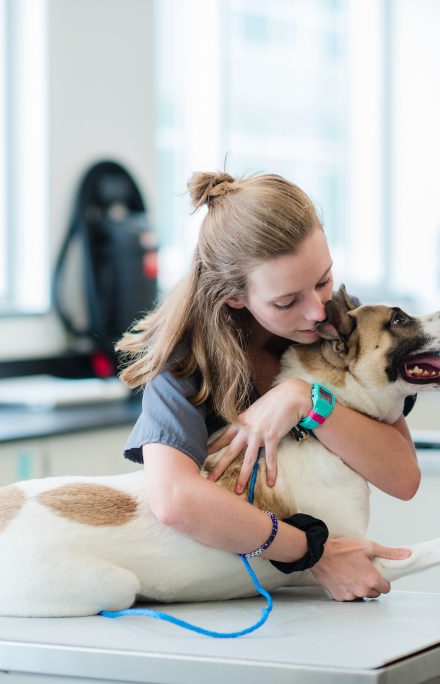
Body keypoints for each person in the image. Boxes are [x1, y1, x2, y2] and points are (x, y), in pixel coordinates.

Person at [117, 170, 418, 601]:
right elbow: (174, 499)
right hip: (218, 594)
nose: (318, 312)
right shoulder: (185, 364)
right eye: (286, 301)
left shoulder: (340, 324)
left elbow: (402, 477)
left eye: (323, 280)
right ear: (235, 296)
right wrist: (312, 551)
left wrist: (305, 400)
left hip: (301, 596)